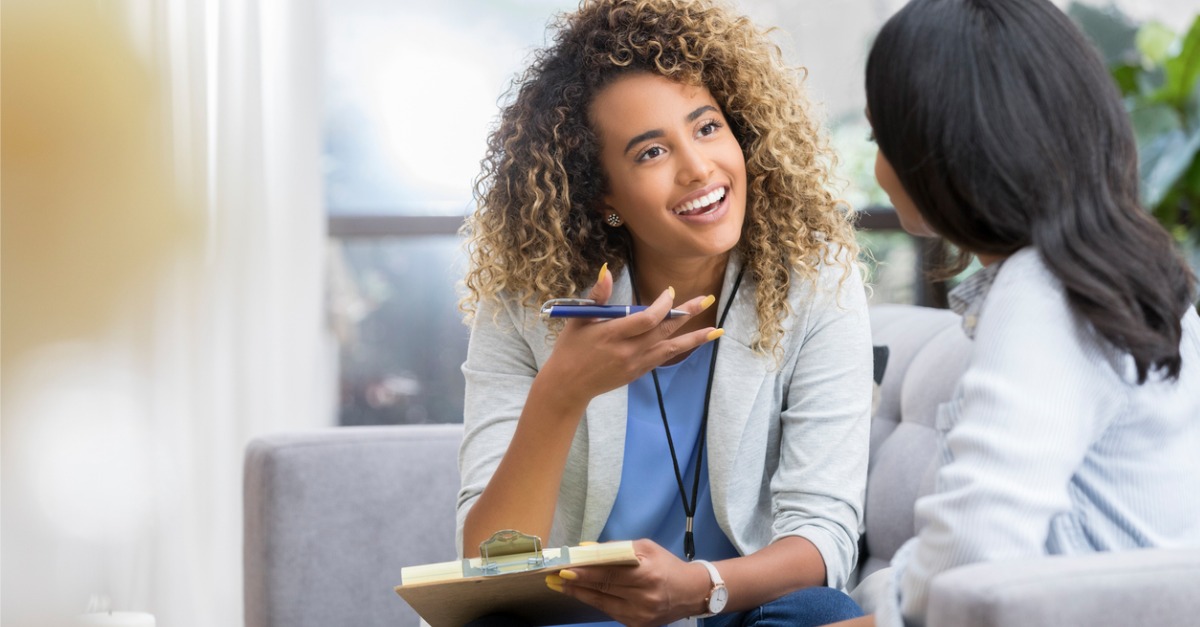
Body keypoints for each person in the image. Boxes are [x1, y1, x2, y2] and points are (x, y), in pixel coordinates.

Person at [455, 1, 874, 626]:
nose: (699, 168)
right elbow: (487, 564)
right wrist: (561, 392)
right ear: (604, 198)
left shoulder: (814, 282)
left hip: (735, 605)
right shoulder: (525, 304)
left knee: (824, 612)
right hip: (582, 617)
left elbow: (824, 535)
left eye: (707, 128)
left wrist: (699, 587)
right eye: (651, 153)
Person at [829, 0, 1200, 625]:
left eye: (879, 138)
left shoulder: (1044, 291)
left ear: (941, 148)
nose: (879, 166)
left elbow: (969, 557)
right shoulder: (1125, 272)